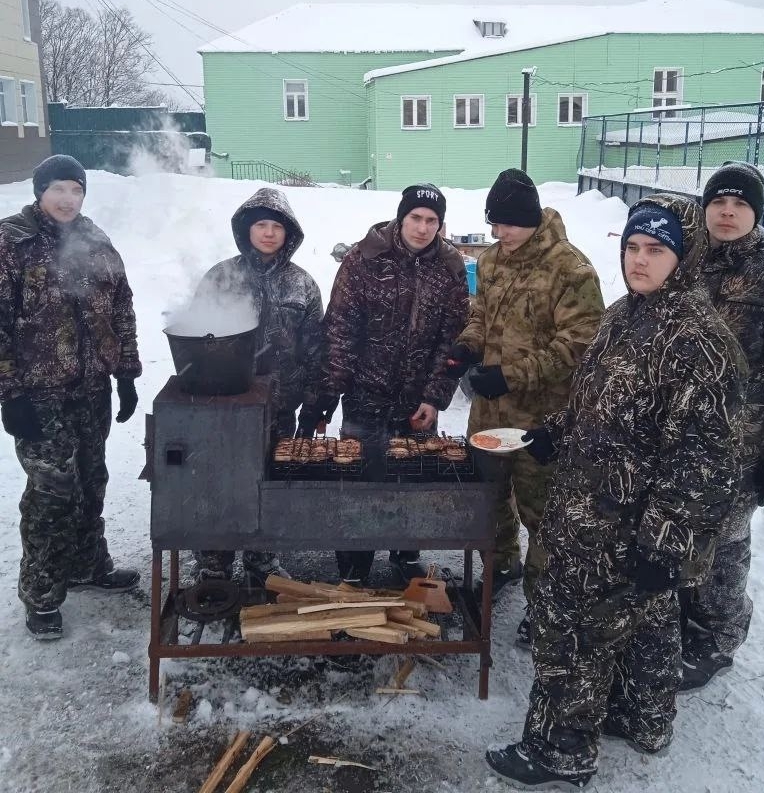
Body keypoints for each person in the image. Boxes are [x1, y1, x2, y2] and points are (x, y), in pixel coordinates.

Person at [486, 194, 745, 790]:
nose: (639, 260)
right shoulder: (625, 316)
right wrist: (552, 434)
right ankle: (644, 717)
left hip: (630, 522)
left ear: (683, 258)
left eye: (655, 250)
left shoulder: (700, 343)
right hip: (592, 504)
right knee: (647, 622)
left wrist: (664, 543)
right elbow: (594, 402)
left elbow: (703, 461)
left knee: (569, 630)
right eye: (631, 247)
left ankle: (560, 750)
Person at [447, 169, 604, 635]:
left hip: (542, 416)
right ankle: (501, 566)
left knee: (544, 512)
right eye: (494, 224)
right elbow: (480, 313)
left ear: (531, 218)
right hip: (490, 411)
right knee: (490, 497)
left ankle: (546, 603)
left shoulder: (571, 270)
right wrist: (467, 344)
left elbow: (580, 343)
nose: (499, 234)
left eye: (508, 224)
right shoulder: (493, 260)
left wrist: (512, 376)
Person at [0, 156, 142, 642]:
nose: (66, 198)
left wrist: (125, 373)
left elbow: (121, 308)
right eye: (57, 189)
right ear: (40, 191)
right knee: (51, 493)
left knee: (91, 480)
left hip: (90, 389)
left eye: (75, 190)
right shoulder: (11, 242)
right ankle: (41, 595)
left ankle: (87, 563)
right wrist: (9, 392)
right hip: (37, 396)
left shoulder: (97, 243)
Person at [301, 183, 468, 583]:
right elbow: (340, 331)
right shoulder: (364, 259)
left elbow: (453, 337)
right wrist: (327, 393)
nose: (423, 228)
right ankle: (354, 568)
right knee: (358, 482)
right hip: (365, 398)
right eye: (416, 218)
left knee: (411, 480)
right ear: (401, 216)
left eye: (432, 221)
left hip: (416, 402)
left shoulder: (450, 267)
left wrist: (435, 396)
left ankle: (405, 556)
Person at [679, 163, 764, 690]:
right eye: (718, 201)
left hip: (742, 440)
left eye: (739, 204)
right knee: (685, 530)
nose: (726, 211)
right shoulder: (692, 263)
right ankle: (686, 618)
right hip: (682, 433)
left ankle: (717, 638)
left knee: (725, 542)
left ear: (755, 213)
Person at [192, 187, 323, 588]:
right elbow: (195, 336)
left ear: (289, 233)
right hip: (226, 406)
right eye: (260, 225)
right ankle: (214, 561)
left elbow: (317, 349)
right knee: (220, 482)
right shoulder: (220, 276)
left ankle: (261, 560)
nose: (268, 233)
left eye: (276, 226)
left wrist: (314, 405)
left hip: (282, 404)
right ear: (246, 229)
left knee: (270, 480)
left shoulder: (302, 284)